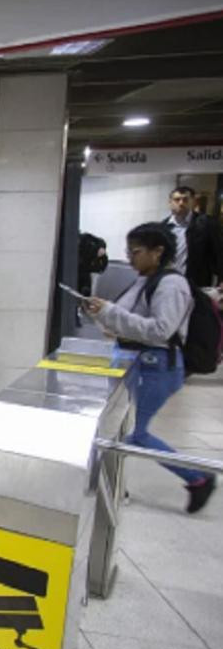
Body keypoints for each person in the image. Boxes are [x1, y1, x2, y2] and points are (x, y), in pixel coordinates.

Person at [84, 222, 216, 514]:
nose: (130, 258)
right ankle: (110, 482)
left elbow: (160, 330)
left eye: (137, 252)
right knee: (116, 428)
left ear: (158, 252)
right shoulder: (145, 279)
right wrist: (104, 314)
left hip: (155, 368)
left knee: (135, 434)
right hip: (132, 363)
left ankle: (198, 478)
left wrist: (112, 312)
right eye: (129, 251)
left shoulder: (171, 284)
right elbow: (125, 319)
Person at [163, 186, 223, 291]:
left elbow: (219, 253)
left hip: (196, 283)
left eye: (185, 199)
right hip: (169, 283)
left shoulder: (206, 224)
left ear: (193, 202)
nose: (181, 203)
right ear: (170, 202)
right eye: (177, 200)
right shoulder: (163, 227)